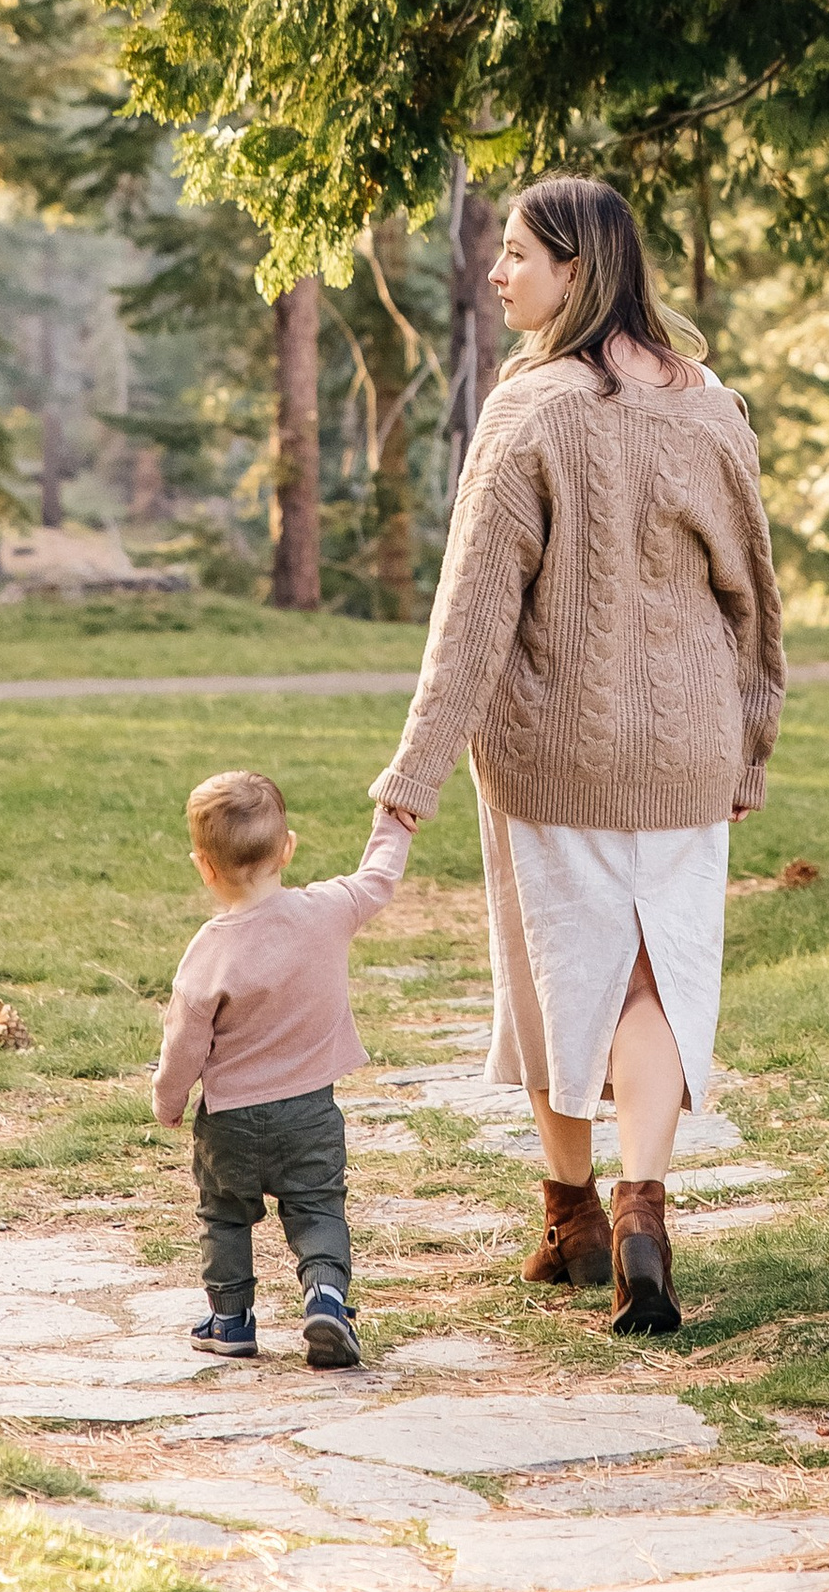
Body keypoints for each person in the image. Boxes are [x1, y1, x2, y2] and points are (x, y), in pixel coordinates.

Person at [369, 172, 785, 1335]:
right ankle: (638, 1208)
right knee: (653, 977)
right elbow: (753, 596)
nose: (497, 273)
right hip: (689, 748)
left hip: (556, 749)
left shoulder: (531, 408)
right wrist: (748, 742)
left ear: (575, 269)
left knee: (560, 974)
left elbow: (469, 617)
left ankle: (571, 1211)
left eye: (515, 254)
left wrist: (408, 786)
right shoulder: (713, 405)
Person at [151, 765, 411, 1368]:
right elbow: (378, 878)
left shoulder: (208, 950)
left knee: (223, 1213)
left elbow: (184, 1041)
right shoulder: (328, 910)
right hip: (310, 1114)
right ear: (287, 849)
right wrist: (394, 818)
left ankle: (231, 1319)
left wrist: (167, 1102)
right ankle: (324, 1296)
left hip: (230, 1122)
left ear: (204, 867)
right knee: (318, 1207)